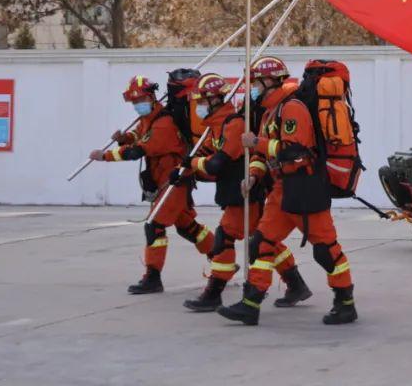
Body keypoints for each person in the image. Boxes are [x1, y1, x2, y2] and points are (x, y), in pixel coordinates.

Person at [218, 57, 357, 326]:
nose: (252, 89)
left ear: (270, 81)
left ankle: (345, 302)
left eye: (256, 83)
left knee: (327, 250)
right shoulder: (271, 111)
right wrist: (254, 175)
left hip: (305, 186)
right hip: (282, 190)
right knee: (261, 243)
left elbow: (295, 150)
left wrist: (257, 142)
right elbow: (262, 153)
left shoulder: (292, 107)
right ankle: (250, 304)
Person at [181, 73, 311, 312]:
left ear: (214, 99)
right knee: (264, 241)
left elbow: (216, 163)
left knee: (225, 239)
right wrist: (185, 169)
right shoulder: (217, 124)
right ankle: (296, 284)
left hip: (245, 193)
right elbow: (208, 157)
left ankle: (214, 293)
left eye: (201, 101)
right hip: (236, 192)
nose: (197, 106)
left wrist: (192, 164)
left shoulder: (234, 124)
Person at [89, 75, 214, 293]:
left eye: (141, 100)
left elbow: (139, 150)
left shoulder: (164, 123)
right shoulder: (149, 119)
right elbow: (137, 136)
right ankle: (221, 257)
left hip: (174, 181)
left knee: (154, 226)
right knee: (188, 228)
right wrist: (124, 137)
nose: (138, 106)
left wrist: (105, 155)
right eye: (134, 103)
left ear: (152, 97)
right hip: (165, 181)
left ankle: (153, 277)